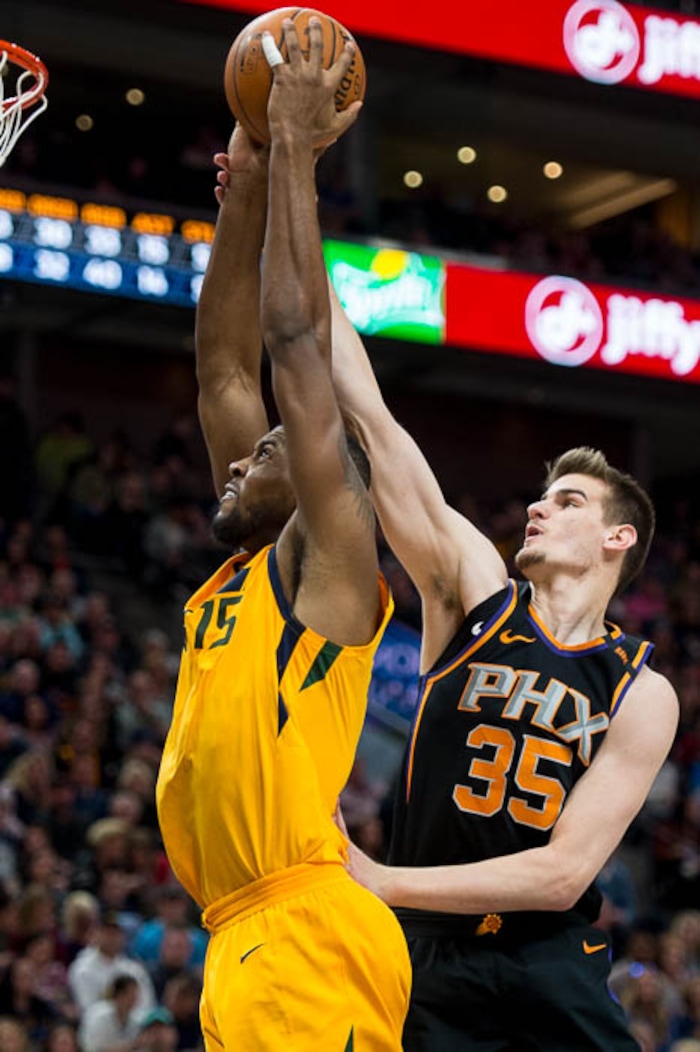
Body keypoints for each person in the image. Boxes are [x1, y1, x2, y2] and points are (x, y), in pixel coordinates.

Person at [324, 250, 680, 1045]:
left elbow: (559, 878)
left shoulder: (639, 689)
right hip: (423, 957)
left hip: (546, 965)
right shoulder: (472, 594)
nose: (536, 508)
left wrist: (381, 879)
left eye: (568, 500)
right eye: (540, 496)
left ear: (619, 538)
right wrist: (291, 198)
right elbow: (372, 421)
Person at [155, 18, 410, 1052]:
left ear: (318, 477)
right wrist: (252, 169)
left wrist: (299, 157)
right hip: (246, 938)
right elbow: (223, 365)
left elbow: (293, 344)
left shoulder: (329, 561)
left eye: (267, 453)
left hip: (304, 930)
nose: (239, 459)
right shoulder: (249, 569)